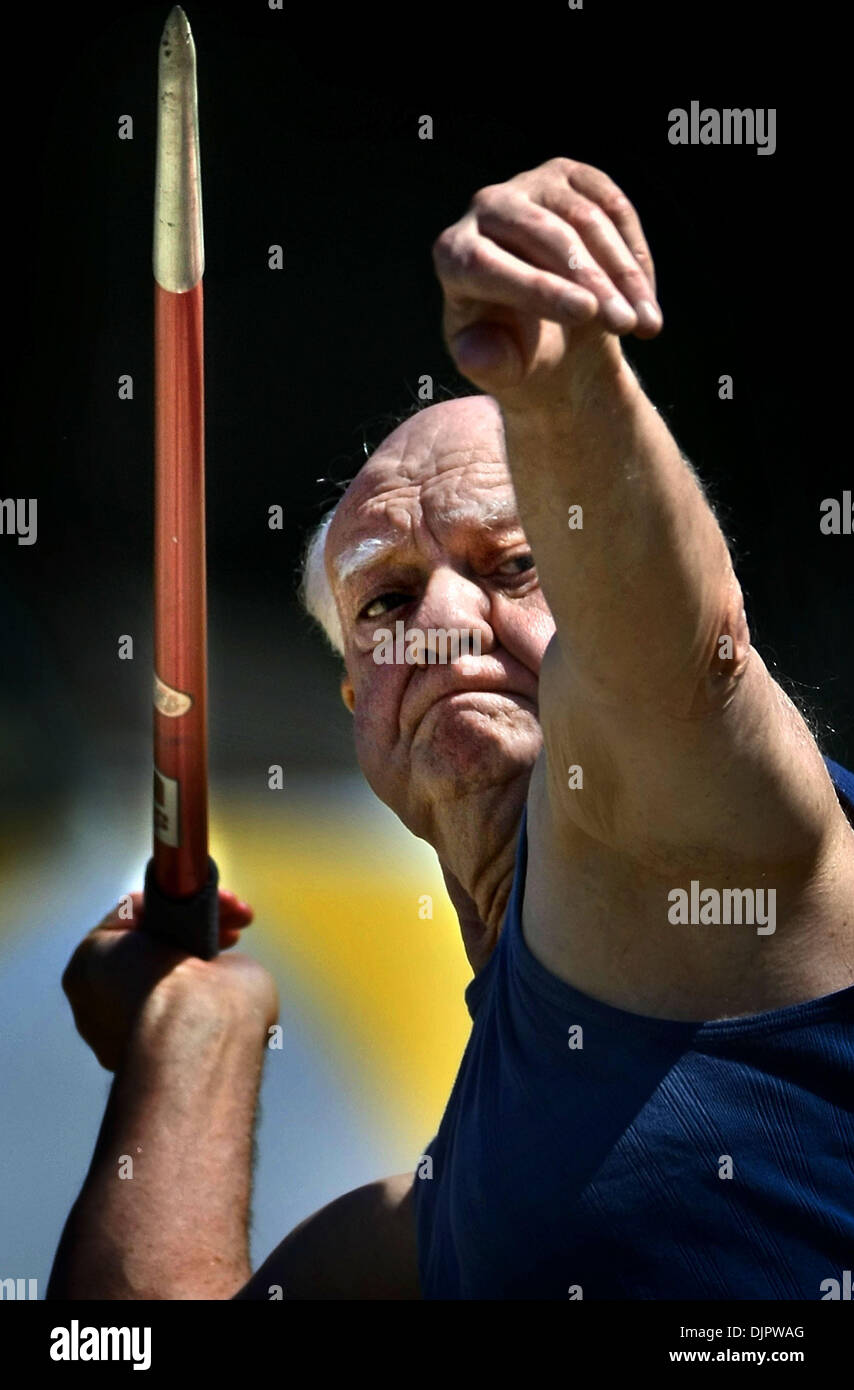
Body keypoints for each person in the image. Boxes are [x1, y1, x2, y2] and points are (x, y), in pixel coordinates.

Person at [48, 156, 854, 1301]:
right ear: (358, 714)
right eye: (383, 602)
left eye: (514, 563)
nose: (438, 623)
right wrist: (191, 1038)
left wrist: (560, 382)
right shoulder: (435, 1222)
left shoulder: (724, 838)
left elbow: (673, 655)